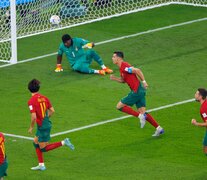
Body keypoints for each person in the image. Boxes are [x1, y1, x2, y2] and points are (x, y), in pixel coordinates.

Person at [110, 51, 164, 136]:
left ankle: (139, 116)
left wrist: (144, 81)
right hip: (140, 91)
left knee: (119, 106)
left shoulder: (124, 66)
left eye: (113, 57)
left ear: (118, 58)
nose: (112, 58)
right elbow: (123, 80)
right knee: (143, 112)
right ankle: (159, 128)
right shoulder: (122, 68)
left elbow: (137, 70)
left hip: (136, 91)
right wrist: (114, 78)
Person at [27, 79, 75, 171]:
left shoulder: (31, 101)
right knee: (35, 142)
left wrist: (31, 127)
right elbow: (52, 110)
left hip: (42, 127)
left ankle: (64, 142)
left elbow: (33, 117)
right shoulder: (45, 98)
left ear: (29, 89)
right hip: (45, 124)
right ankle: (41, 165)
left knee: (43, 148)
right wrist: (45, 118)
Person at [191, 88, 207, 155]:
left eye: (196, 93)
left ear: (200, 96)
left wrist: (196, 123)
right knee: (205, 146)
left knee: (205, 149)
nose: (195, 95)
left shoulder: (203, 108)